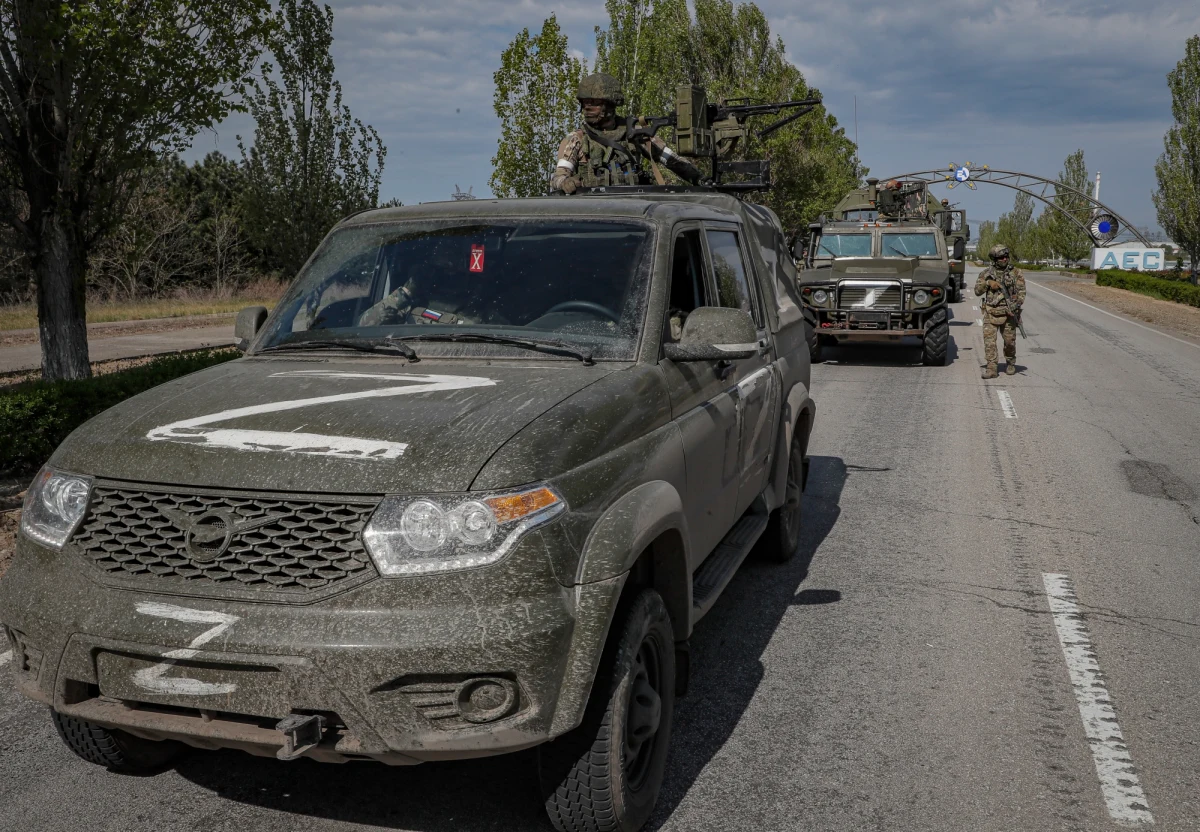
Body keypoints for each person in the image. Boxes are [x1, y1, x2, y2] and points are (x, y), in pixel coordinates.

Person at [550, 73, 703, 193]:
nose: (587, 108)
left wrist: (700, 179)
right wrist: (565, 182)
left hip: (633, 209)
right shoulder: (576, 139)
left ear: (610, 105)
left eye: (594, 103)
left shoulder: (635, 132)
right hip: (595, 212)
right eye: (584, 103)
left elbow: (671, 160)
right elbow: (558, 177)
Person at [359, 242, 501, 327]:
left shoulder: (481, 310)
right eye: (440, 268)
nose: (447, 273)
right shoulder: (410, 305)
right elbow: (364, 325)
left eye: (453, 267)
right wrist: (407, 291)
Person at [974, 244, 1026, 378]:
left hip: (1008, 313)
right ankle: (992, 368)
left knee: (1009, 342)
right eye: (1001, 257)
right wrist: (988, 284)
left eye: (1006, 256)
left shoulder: (1016, 273)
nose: (1005, 259)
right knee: (989, 343)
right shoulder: (986, 274)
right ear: (994, 259)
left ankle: (1010, 362)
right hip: (991, 312)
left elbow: (1021, 293)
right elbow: (977, 291)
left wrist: (1016, 305)